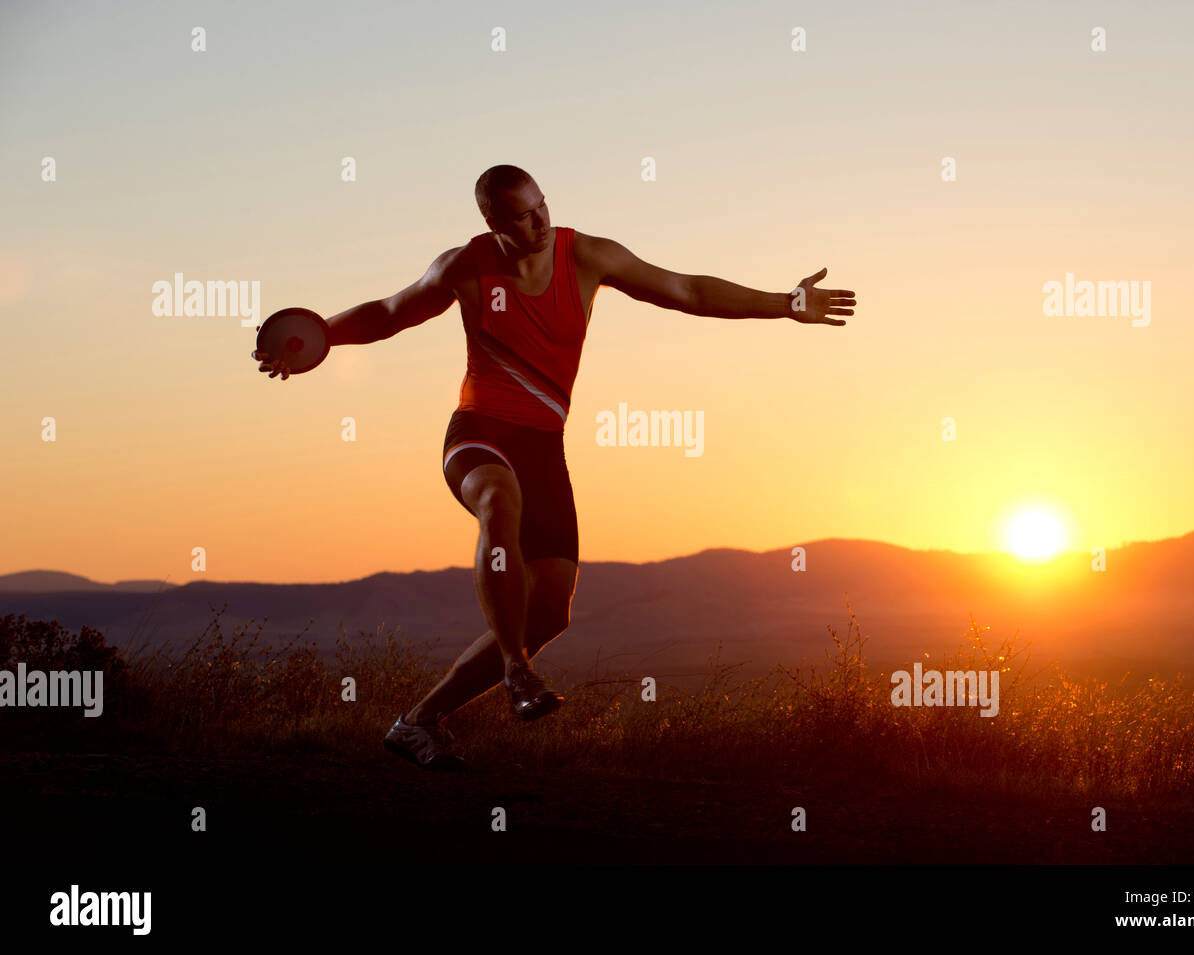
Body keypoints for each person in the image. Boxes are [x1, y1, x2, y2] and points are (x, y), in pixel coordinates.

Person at [253, 164, 854, 770]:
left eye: (542, 205)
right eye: (521, 214)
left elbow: (688, 291)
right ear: (492, 222)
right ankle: (517, 669)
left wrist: (785, 303)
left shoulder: (588, 256)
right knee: (497, 500)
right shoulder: (465, 266)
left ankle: (416, 723)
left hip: (544, 446)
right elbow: (389, 312)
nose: (539, 221)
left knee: (550, 611)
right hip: (479, 433)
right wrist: (314, 337)